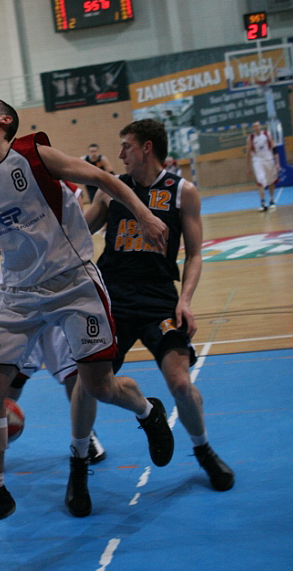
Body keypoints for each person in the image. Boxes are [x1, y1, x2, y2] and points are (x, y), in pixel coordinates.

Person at [0, 98, 174, 539]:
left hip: (72, 282)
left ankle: (147, 410)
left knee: (99, 386)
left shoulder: (33, 153)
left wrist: (145, 214)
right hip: (18, 293)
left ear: (5, 121)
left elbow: (102, 178)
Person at [82, 118, 234, 493]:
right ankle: (83, 453)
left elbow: (195, 255)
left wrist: (186, 300)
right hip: (115, 300)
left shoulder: (183, 191)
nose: (120, 153)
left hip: (159, 300)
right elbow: (77, 233)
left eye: (127, 145)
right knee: (89, 384)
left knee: (181, 383)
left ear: (147, 148)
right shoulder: (111, 189)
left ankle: (203, 450)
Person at [0, 182, 106, 465]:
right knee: (5, 375)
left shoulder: (59, 183)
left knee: (73, 371)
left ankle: (85, 436)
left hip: (57, 287)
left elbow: (80, 226)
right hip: (17, 295)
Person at [246, 121, 280, 211]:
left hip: (269, 159)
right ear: (253, 128)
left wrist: (277, 163)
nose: (256, 127)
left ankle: (272, 200)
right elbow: (248, 153)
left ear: (260, 126)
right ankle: (263, 202)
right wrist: (248, 167)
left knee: (270, 181)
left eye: (257, 126)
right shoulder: (250, 138)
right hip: (257, 161)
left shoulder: (267, 135)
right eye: (254, 126)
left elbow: (274, 148)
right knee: (260, 180)